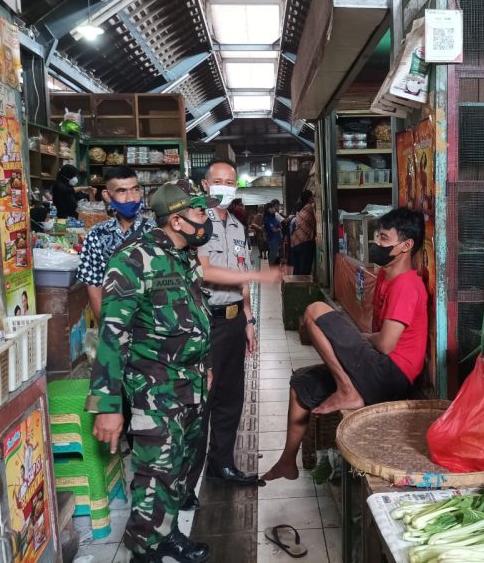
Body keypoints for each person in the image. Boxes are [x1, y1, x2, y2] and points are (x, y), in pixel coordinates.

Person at [87, 180, 220, 563]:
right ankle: (144, 551)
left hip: (190, 383)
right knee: (154, 474)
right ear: (176, 220)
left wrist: (205, 365)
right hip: (153, 389)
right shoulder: (132, 260)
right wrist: (109, 406)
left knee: (179, 467)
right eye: (199, 213)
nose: (205, 219)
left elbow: (195, 317)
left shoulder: (185, 257)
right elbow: (112, 336)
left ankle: (167, 534)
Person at [261, 208, 428, 482]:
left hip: (390, 374)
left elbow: (385, 344)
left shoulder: (407, 285)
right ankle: (286, 461)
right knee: (301, 383)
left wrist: (361, 339)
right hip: (376, 367)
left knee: (315, 310)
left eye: (384, 239)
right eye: (377, 237)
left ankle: (347, 389)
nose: (377, 244)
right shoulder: (387, 277)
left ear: (406, 246)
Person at [183, 160, 282, 505]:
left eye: (230, 181)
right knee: (202, 402)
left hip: (233, 320)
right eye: (218, 181)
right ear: (205, 185)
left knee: (230, 398)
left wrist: (250, 319)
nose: (225, 187)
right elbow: (205, 271)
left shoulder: (238, 227)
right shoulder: (193, 224)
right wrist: (259, 278)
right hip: (204, 323)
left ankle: (221, 464)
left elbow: (239, 275)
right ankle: (185, 483)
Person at [76, 166, 155, 321]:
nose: (131, 198)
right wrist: (107, 328)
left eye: (135, 189)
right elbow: (93, 285)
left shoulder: (156, 232)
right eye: (121, 191)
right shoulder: (96, 235)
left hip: (152, 326)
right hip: (114, 320)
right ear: (107, 195)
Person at [290, 190, 317, 275]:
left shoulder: (301, 209)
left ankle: (296, 287)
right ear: (309, 198)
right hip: (304, 242)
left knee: (297, 270)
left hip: (295, 242)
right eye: (313, 197)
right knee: (304, 270)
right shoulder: (309, 207)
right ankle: (302, 287)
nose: (314, 198)